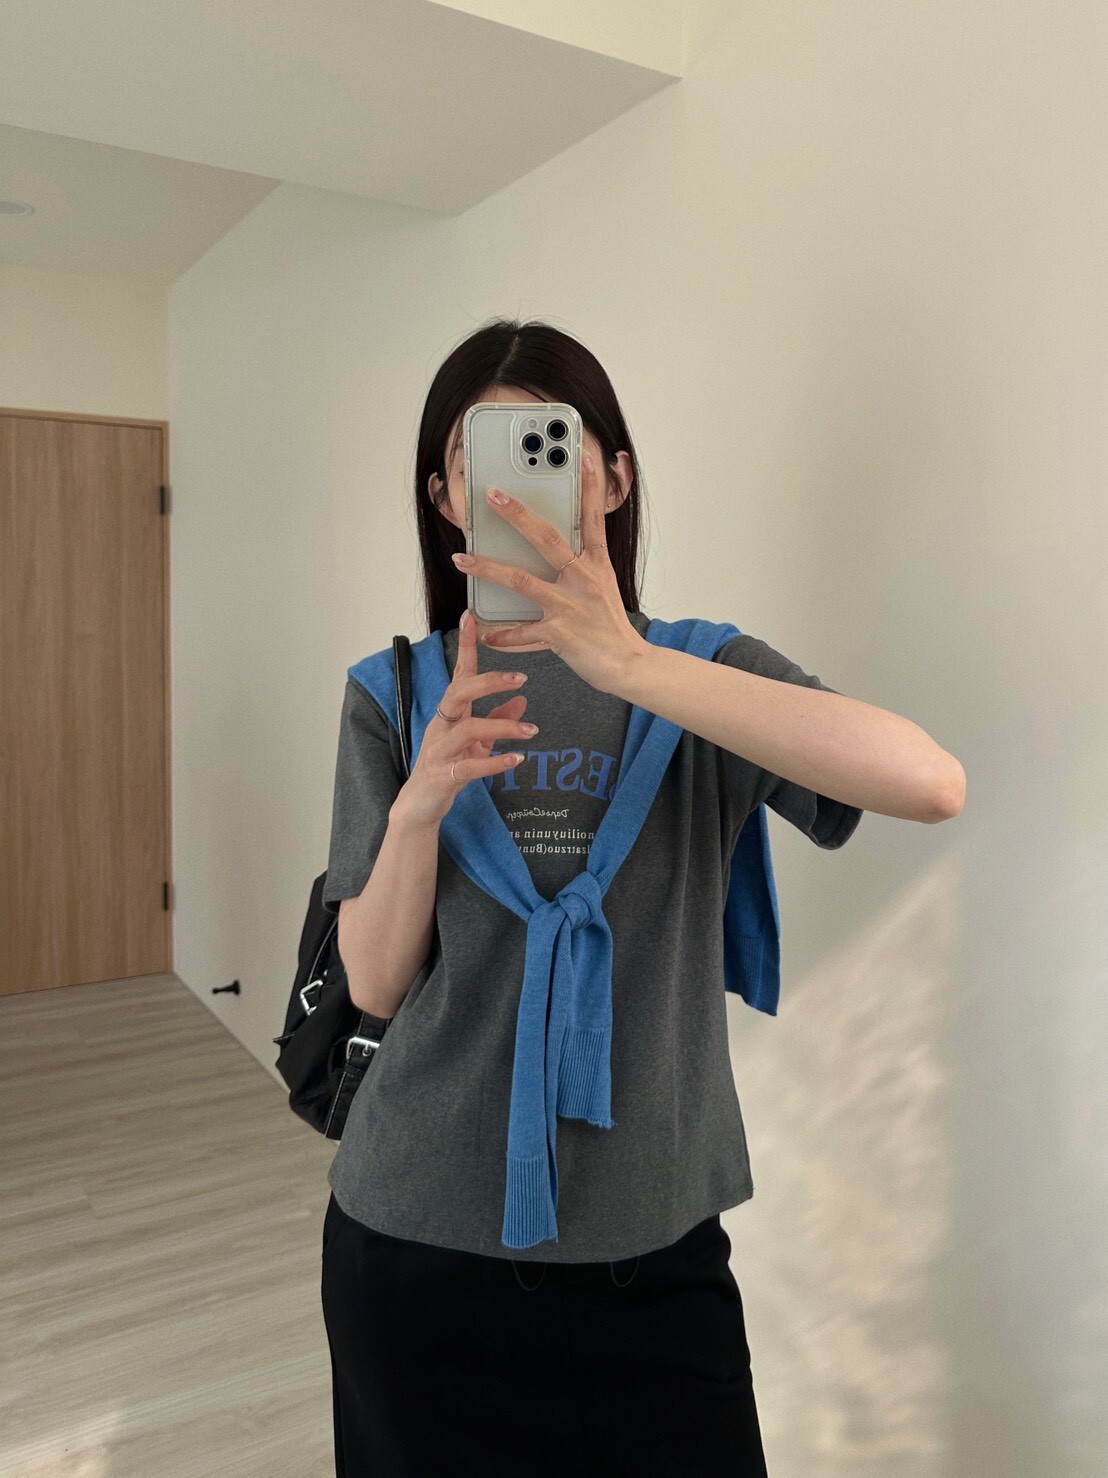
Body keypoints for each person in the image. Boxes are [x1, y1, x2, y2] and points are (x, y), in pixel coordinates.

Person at [318, 318, 958, 1476]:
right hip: (414, 1248)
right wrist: (417, 807)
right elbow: (370, 980)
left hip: (652, 1259)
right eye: (474, 458)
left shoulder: (703, 672)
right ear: (444, 496)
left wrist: (626, 664)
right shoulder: (394, 689)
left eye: (548, 448)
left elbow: (927, 781)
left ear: (612, 477)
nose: (509, 487)